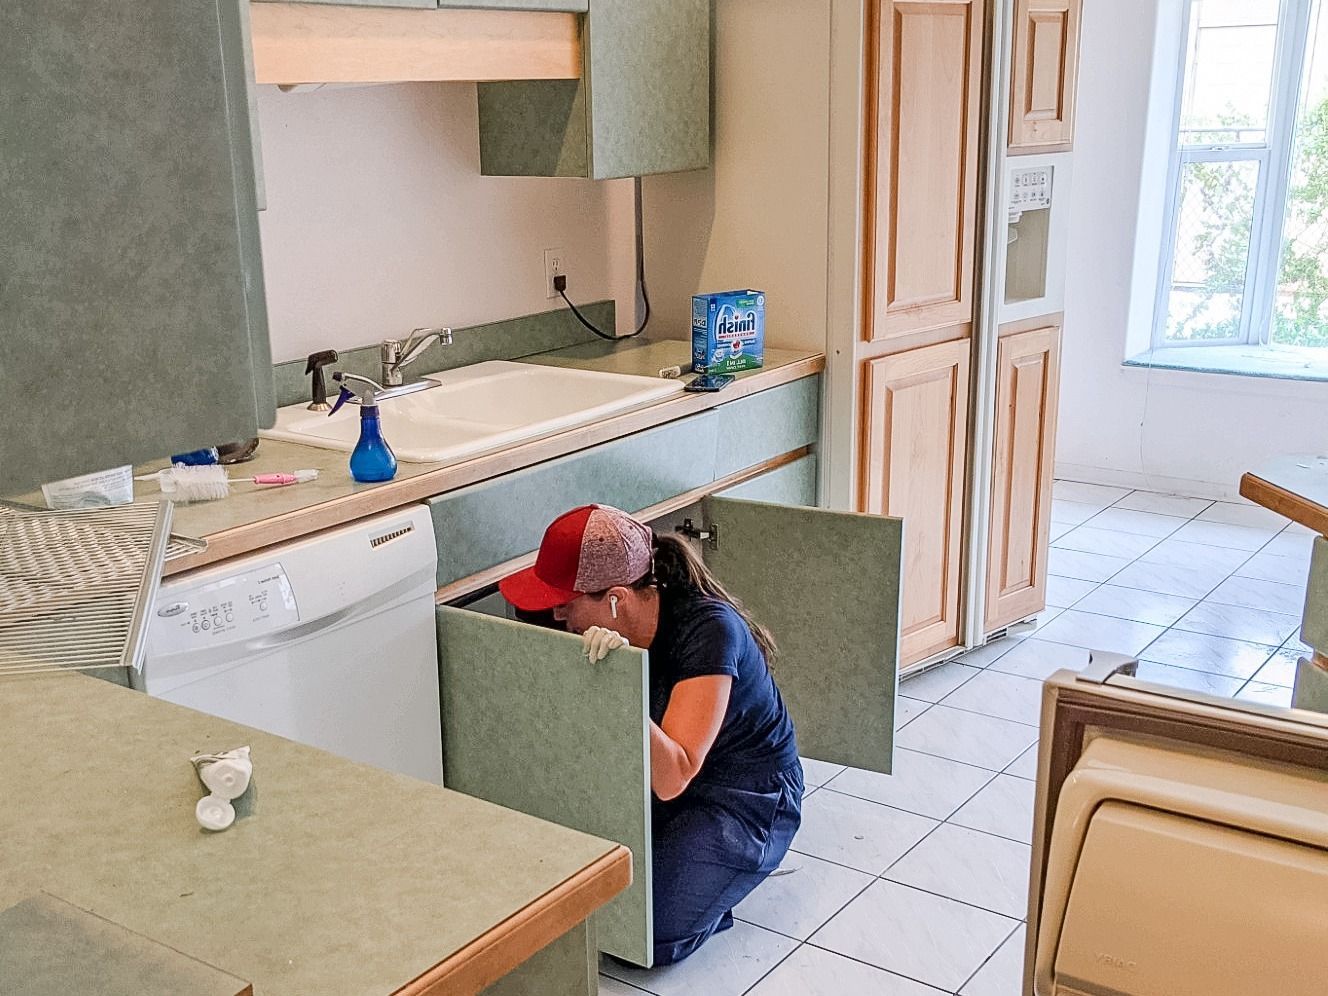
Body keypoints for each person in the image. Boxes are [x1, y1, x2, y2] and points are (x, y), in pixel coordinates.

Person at [499, 504, 803, 966]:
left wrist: (618, 688)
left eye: (567, 601)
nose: (556, 614)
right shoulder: (583, 613)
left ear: (617, 598)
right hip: (655, 783)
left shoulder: (710, 632)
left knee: (644, 936)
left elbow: (673, 774)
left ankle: (726, 882)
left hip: (744, 796)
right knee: (581, 895)